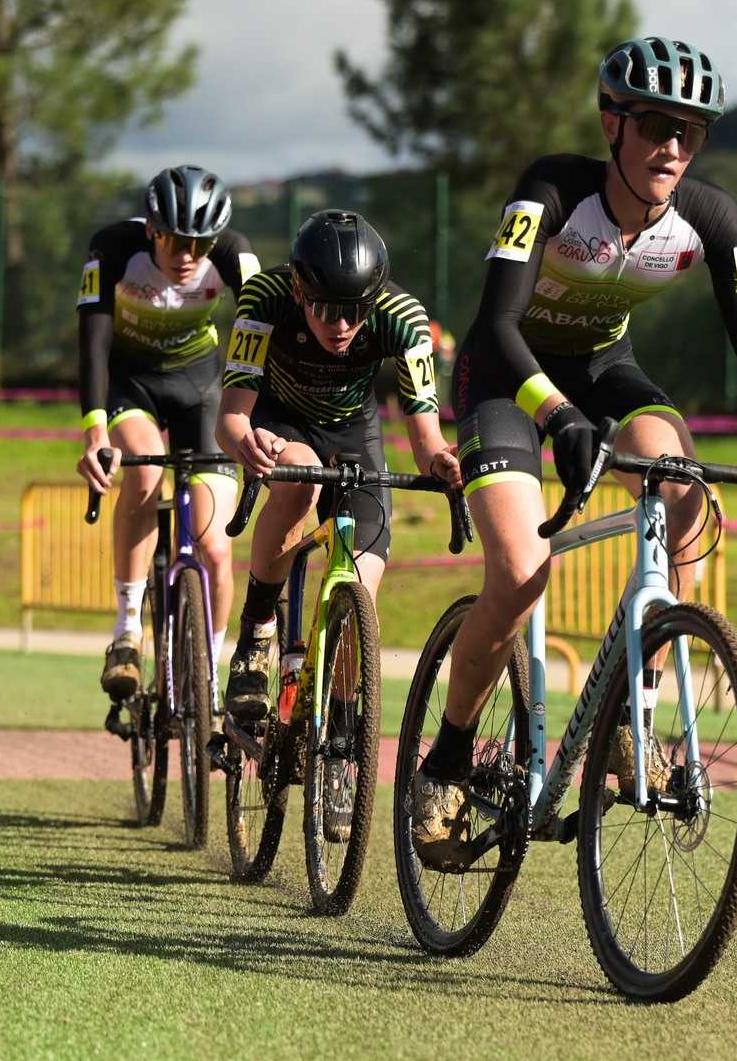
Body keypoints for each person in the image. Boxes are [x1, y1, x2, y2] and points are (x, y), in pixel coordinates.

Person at [409, 36, 737, 869]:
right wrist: (558, 414)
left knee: (685, 500)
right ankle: (450, 757)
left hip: (606, 367)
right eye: (653, 126)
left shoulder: (712, 220)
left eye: (691, 132)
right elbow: (497, 323)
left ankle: (627, 723)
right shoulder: (554, 189)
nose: (672, 146)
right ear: (614, 125)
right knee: (523, 572)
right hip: (508, 375)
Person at [218, 210, 458, 723]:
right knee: (299, 479)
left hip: (354, 429)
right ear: (301, 293)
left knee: (361, 596)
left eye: (356, 311)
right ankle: (257, 632)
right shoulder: (266, 298)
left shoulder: (403, 317)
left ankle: (336, 723)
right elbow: (232, 416)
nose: (343, 325)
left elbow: (425, 435)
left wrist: (440, 460)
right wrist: (247, 442)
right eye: (327, 309)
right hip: (280, 421)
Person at [73, 166, 258, 701]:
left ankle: (212, 681)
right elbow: (92, 346)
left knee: (216, 549)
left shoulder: (234, 255)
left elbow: (266, 331)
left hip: (201, 386)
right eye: (175, 240)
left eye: (199, 245)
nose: (186, 256)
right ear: (152, 229)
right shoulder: (111, 249)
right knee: (146, 468)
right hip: (132, 387)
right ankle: (128, 630)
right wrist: (94, 435)